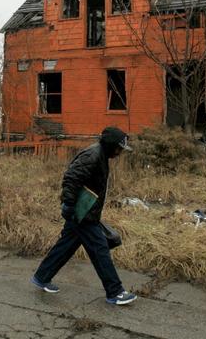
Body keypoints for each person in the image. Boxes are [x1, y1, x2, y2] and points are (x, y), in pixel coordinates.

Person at [30, 126, 138, 305]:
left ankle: (42, 276)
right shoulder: (93, 155)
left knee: (66, 246)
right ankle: (115, 292)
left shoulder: (101, 155)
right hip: (81, 213)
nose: (120, 152)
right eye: (119, 148)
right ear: (111, 145)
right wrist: (70, 205)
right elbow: (71, 178)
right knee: (100, 249)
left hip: (84, 211)